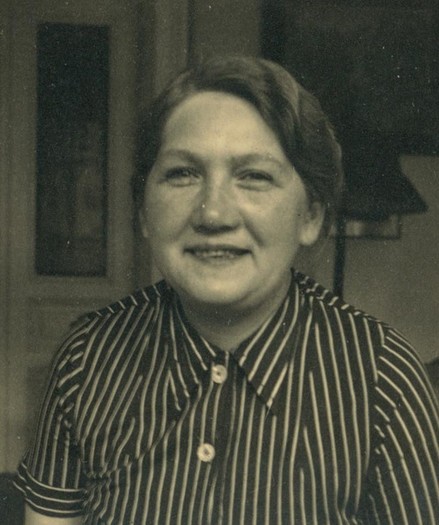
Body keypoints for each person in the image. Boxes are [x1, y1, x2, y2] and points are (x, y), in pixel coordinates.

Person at [16, 55, 438, 524]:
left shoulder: (383, 377)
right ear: (142, 211)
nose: (213, 214)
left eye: (254, 176)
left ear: (311, 215)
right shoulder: (85, 357)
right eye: (182, 173)